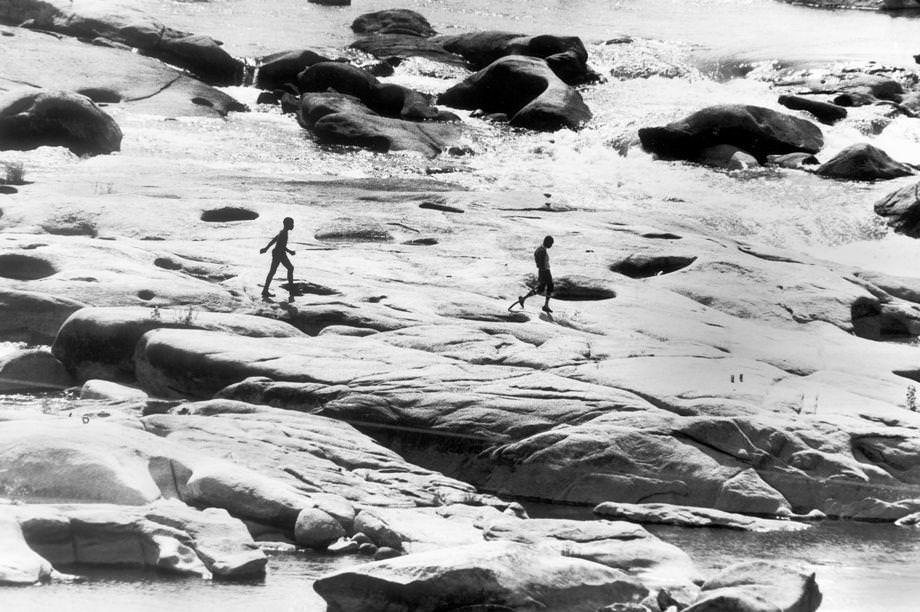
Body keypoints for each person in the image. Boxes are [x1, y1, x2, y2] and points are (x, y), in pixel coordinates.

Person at [510, 235, 554, 314]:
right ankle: (546, 306)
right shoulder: (542, 250)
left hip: (542, 271)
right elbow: (540, 262)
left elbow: (537, 259)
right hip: (545, 271)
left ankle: (523, 298)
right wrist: (543, 270)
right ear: (547, 242)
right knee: (550, 287)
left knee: (540, 289)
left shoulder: (540, 249)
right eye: (551, 243)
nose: (551, 245)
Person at [260, 217, 296, 302]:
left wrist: (266, 248)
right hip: (279, 254)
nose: (293, 225)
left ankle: (265, 290)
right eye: (292, 223)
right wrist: (290, 251)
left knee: (273, 271)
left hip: (278, 253)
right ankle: (291, 290)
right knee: (289, 268)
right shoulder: (284, 233)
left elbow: (274, 240)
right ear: (287, 224)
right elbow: (281, 245)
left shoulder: (283, 232)